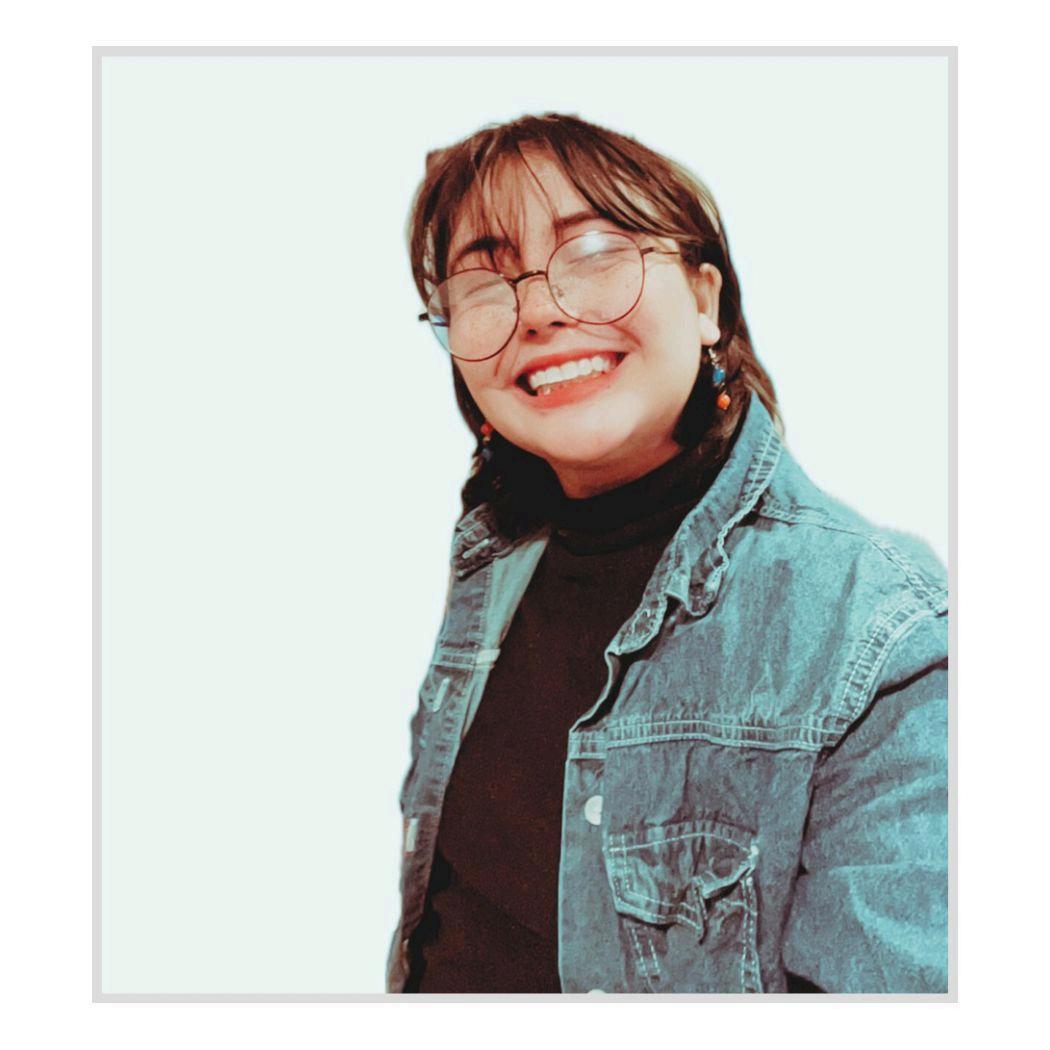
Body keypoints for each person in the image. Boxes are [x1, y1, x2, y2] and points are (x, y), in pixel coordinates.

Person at [387, 112, 948, 994]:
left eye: (593, 252)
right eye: (484, 283)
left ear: (704, 300)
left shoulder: (876, 625)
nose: (539, 310)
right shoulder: (494, 566)